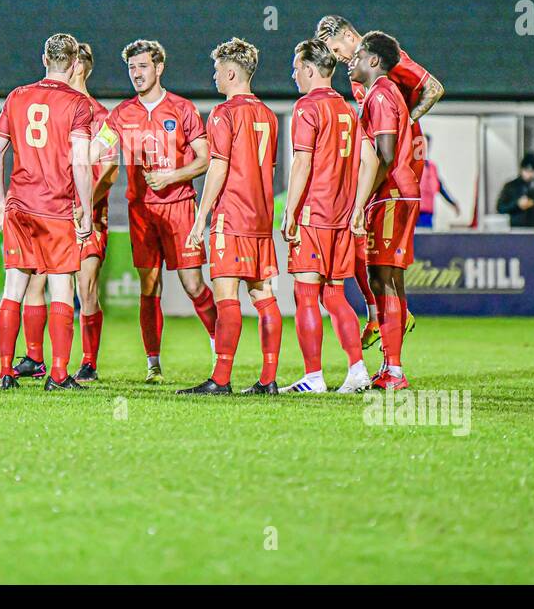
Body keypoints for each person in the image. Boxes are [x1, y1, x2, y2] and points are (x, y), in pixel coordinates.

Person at [89, 40, 219, 384]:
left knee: (193, 284)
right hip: (141, 212)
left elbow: (205, 159)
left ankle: (221, 353)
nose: (137, 74)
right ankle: (153, 364)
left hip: (179, 208)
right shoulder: (121, 114)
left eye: (143, 67)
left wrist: (171, 176)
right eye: (132, 68)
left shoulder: (182, 108)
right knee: (149, 287)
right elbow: (98, 146)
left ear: (159, 68)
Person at [317, 15, 441, 347]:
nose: (339, 57)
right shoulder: (362, 79)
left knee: (378, 262)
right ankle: (381, 320)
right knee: (371, 255)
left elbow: (433, 87)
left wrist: (405, 124)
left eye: (337, 48)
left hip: (397, 173)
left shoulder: (382, 65)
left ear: (348, 35)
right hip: (387, 169)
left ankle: (389, 338)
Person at [0, 33, 95, 390]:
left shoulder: (17, 96)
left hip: (19, 205)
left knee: (13, 288)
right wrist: (87, 212)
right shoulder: (79, 103)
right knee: (62, 287)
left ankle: (6, 372)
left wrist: (1, 201)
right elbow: (80, 162)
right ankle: (59, 374)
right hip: (55, 208)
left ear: (44, 58)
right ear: (75, 64)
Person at [178, 38, 282, 396]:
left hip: (233, 216)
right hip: (261, 218)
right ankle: (268, 380)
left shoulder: (224, 114)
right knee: (264, 295)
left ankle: (220, 379)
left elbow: (218, 167)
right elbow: (266, 168)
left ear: (232, 72)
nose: (214, 76)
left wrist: (200, 218)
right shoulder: (268, 115)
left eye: (218, 70)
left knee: (227, 297)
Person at [19, 42, 118, 381]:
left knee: (85, 287)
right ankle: (36, 358)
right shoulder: (52, 105)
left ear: (79, 66)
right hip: (51, 211)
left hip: (86, 215)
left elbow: (110, 169)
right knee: (37, 281)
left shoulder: (101, 116)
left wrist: (85, 205)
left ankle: (88, 362)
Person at [279, 39, 370, 394]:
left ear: (311, 70)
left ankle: (313, 377)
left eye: (297, 67)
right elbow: (368, 159)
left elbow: (302, 161)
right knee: (334, 295)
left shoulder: (307, 107)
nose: (293, 74)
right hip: (342, 216)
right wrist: (358, 205)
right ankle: (357, 369)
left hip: (314, 214)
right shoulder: (348, 110)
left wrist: (290, 211)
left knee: (305, 294)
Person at [349, 31, 420, 391]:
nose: (351, 61)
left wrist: (360, 203)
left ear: (374, 61)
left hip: (391, 193)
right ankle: (391, 368)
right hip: (398, 192)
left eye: (358, 55)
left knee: (383, 279)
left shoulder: (379, 94)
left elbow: (386, 154)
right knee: (387, 279)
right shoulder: (387, 92)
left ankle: (394, 370)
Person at [496, 152, 534, 228]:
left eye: (531, 171)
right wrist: (517, 205)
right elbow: (500, 208)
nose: (529, 174)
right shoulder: (510, 186)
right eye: (526, 170)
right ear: (521, 169)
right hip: (517, 230)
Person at [417, 135, 460, 228]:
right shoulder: (411, 166)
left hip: (427, 212)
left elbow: (440, 187)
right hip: (413, 211)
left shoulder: (431, 167)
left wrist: (453, 203)